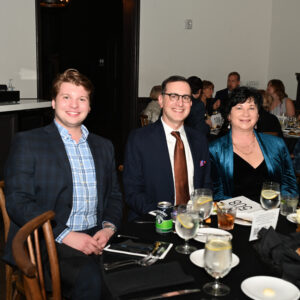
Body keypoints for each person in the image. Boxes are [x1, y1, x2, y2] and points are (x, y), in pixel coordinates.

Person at [3, 69, 122, 299]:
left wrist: (108, 228)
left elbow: (115, 195)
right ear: (53, 102)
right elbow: (18, 200)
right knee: (91, 278)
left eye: (82, 99)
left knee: (136, 272)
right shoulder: (28, 142)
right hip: (47, 241)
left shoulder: (104, 146)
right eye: (66, 97)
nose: (74, 105)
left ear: (89, 106)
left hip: (97, 236)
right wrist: (66, 235)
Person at [123, 75, 211, 221]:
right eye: (174, 96)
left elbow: (206, 185)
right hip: (152, 223)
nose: (180, 103)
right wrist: (166, 216)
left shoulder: (199, 139)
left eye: (185, 97)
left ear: (191, 103)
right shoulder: (139, 139)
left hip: (193, 223)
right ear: (161, 100)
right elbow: (133, 192)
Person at [209, 86, 298, 202]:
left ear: (258, 115)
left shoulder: (276, 145)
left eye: (251, 108)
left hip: (274, 213)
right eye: (239, 108)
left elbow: (290, 186)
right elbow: (216, 194)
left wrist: (283, 209)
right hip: (234, 216)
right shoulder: (215, 149)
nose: (246, 114)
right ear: (229, 116)